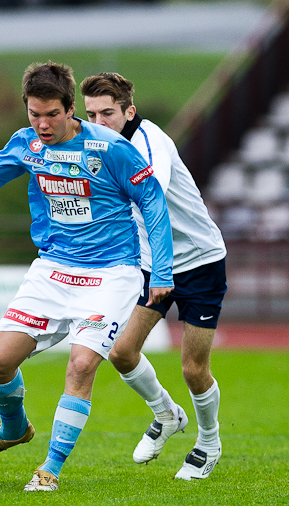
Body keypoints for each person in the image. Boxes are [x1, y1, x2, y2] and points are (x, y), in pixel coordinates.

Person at [0, 61, 174, 492]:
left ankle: (50, 469)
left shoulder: (110, 149)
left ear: (71, 109)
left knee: (81, 363)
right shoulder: (26, 145)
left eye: (51, 114)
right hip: (53, 270)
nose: (42, 124)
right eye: (34, 114)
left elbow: (153, 201)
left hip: (111, 275)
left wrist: (161, 269)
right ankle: (14, 429)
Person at [81, 72, 226, 481]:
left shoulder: (149, 141)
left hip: (199, 262)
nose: (99, 121)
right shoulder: (94, 145)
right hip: (151, 264)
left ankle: (209, 441)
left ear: (128, 110)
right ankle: (166, 415)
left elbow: (151, 197)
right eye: (91, 113)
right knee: (122, 354)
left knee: (194, 370)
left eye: (107, 112)